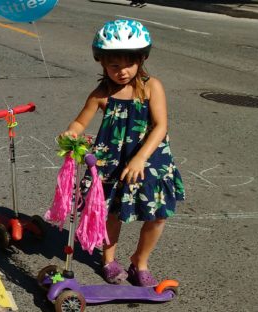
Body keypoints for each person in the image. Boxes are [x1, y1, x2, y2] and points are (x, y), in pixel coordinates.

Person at [60, 19, 184, 287]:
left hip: (150, 158)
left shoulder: (152, 87)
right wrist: (72, 132)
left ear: (141, 59)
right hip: (112, 161)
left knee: (158, 214)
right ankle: (108, 260)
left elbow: (161, 125)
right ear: (102, 63)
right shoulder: (102, 93)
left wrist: (140, 157)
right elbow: (81, 122)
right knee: (112, 213)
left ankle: (140, 260)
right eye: (114, 65)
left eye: (129, 64)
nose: (122, 71)